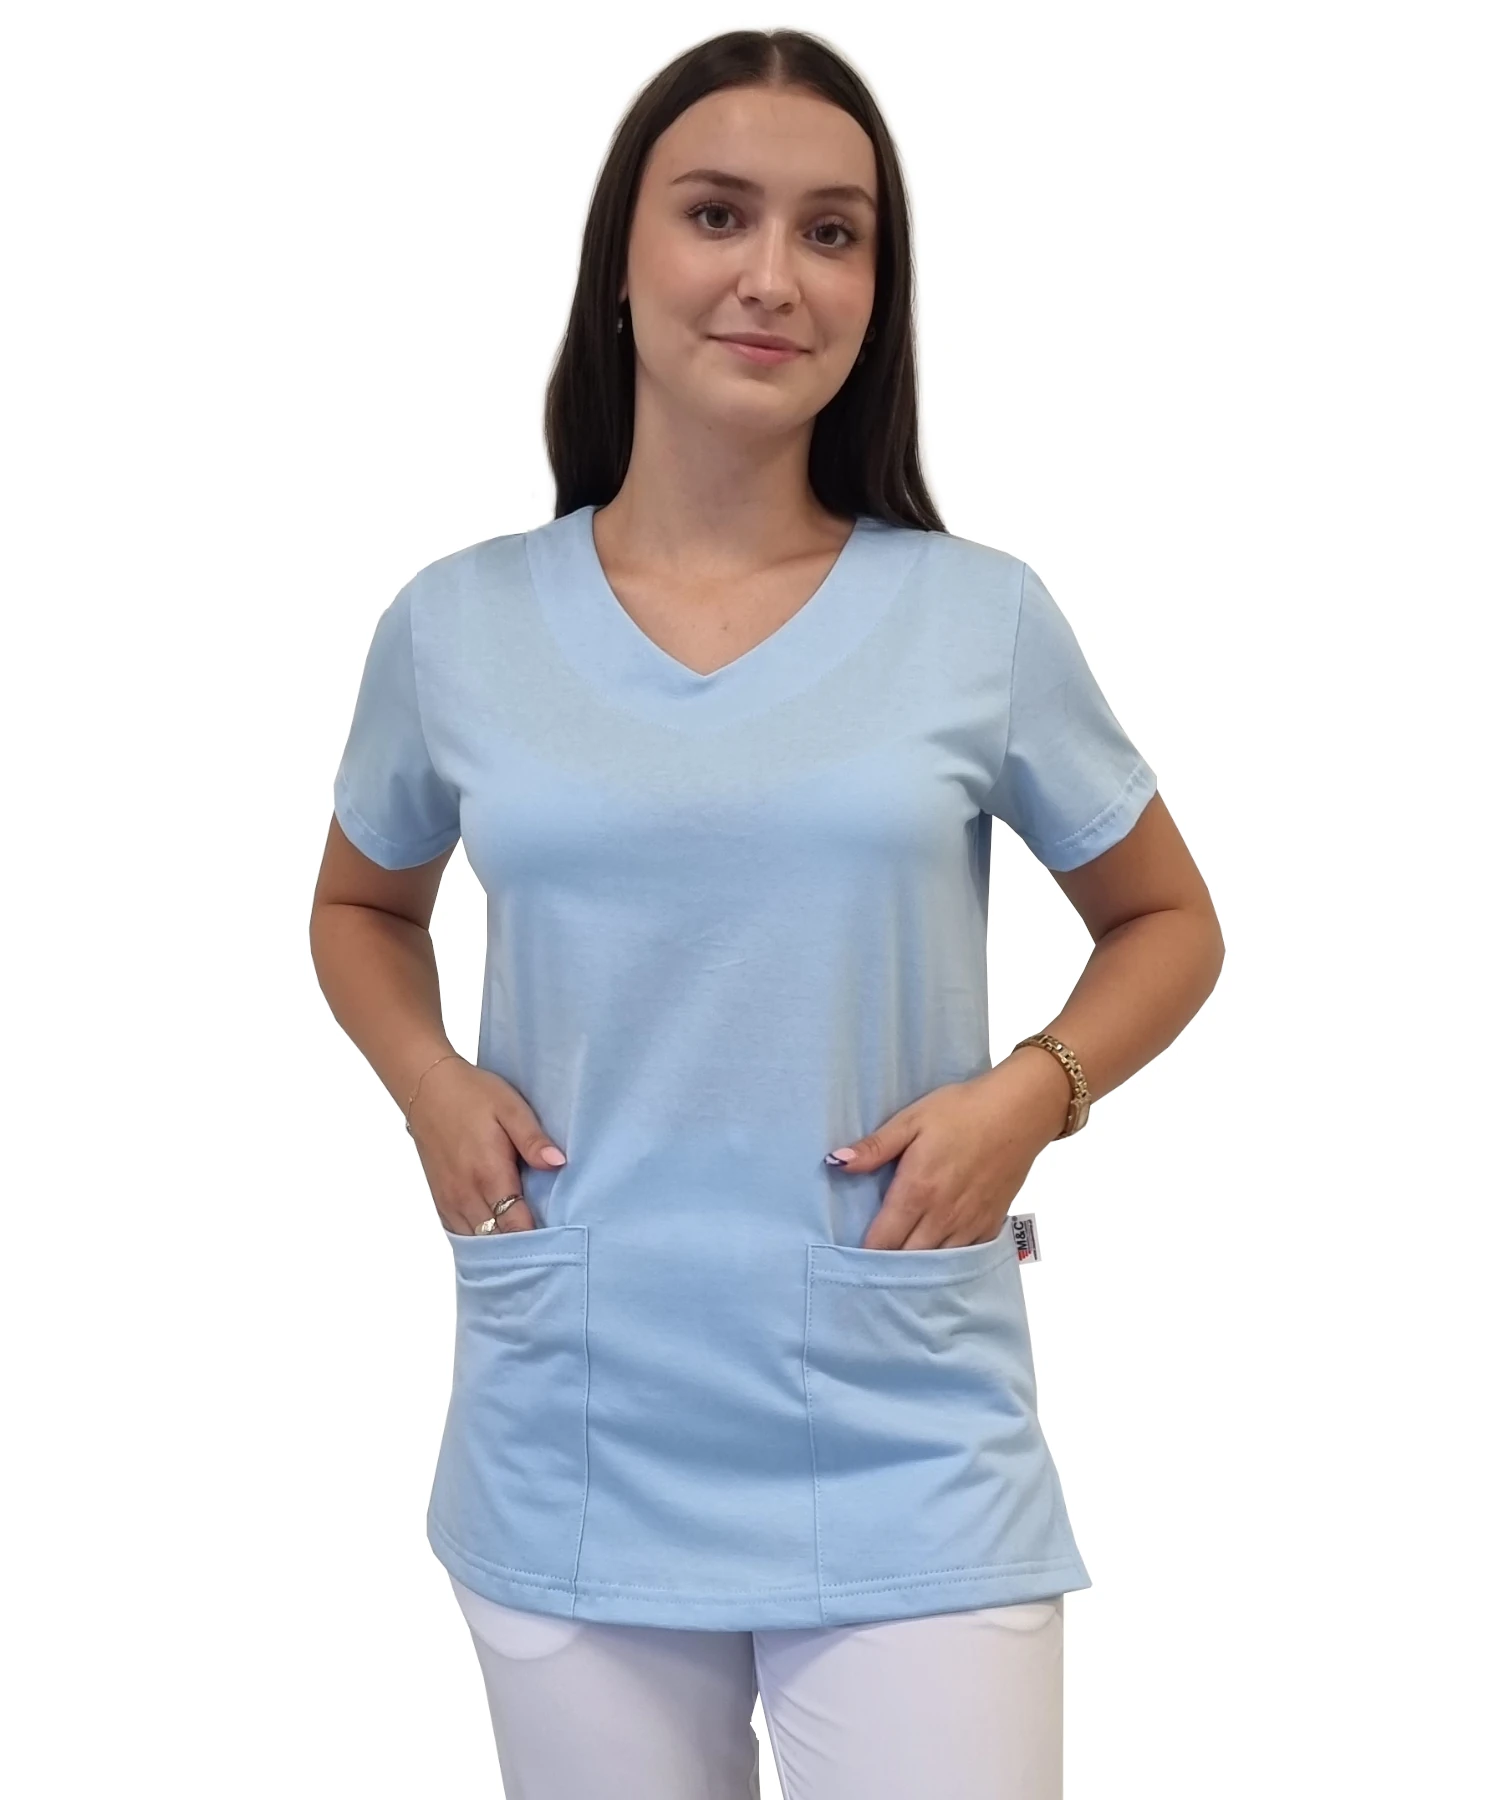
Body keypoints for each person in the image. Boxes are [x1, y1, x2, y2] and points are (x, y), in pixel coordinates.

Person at [309, 26, 1225, 1800]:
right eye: (718, 214)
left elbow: (1168, 919)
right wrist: (427, 1082)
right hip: (576, 1414)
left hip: (906, 1422)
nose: (773, 277)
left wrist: (1030, 1096)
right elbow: (360, 903)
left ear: (879, 290)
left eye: (834, 232)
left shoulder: (978, 621)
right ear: (622, 260)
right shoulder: (456, 626)